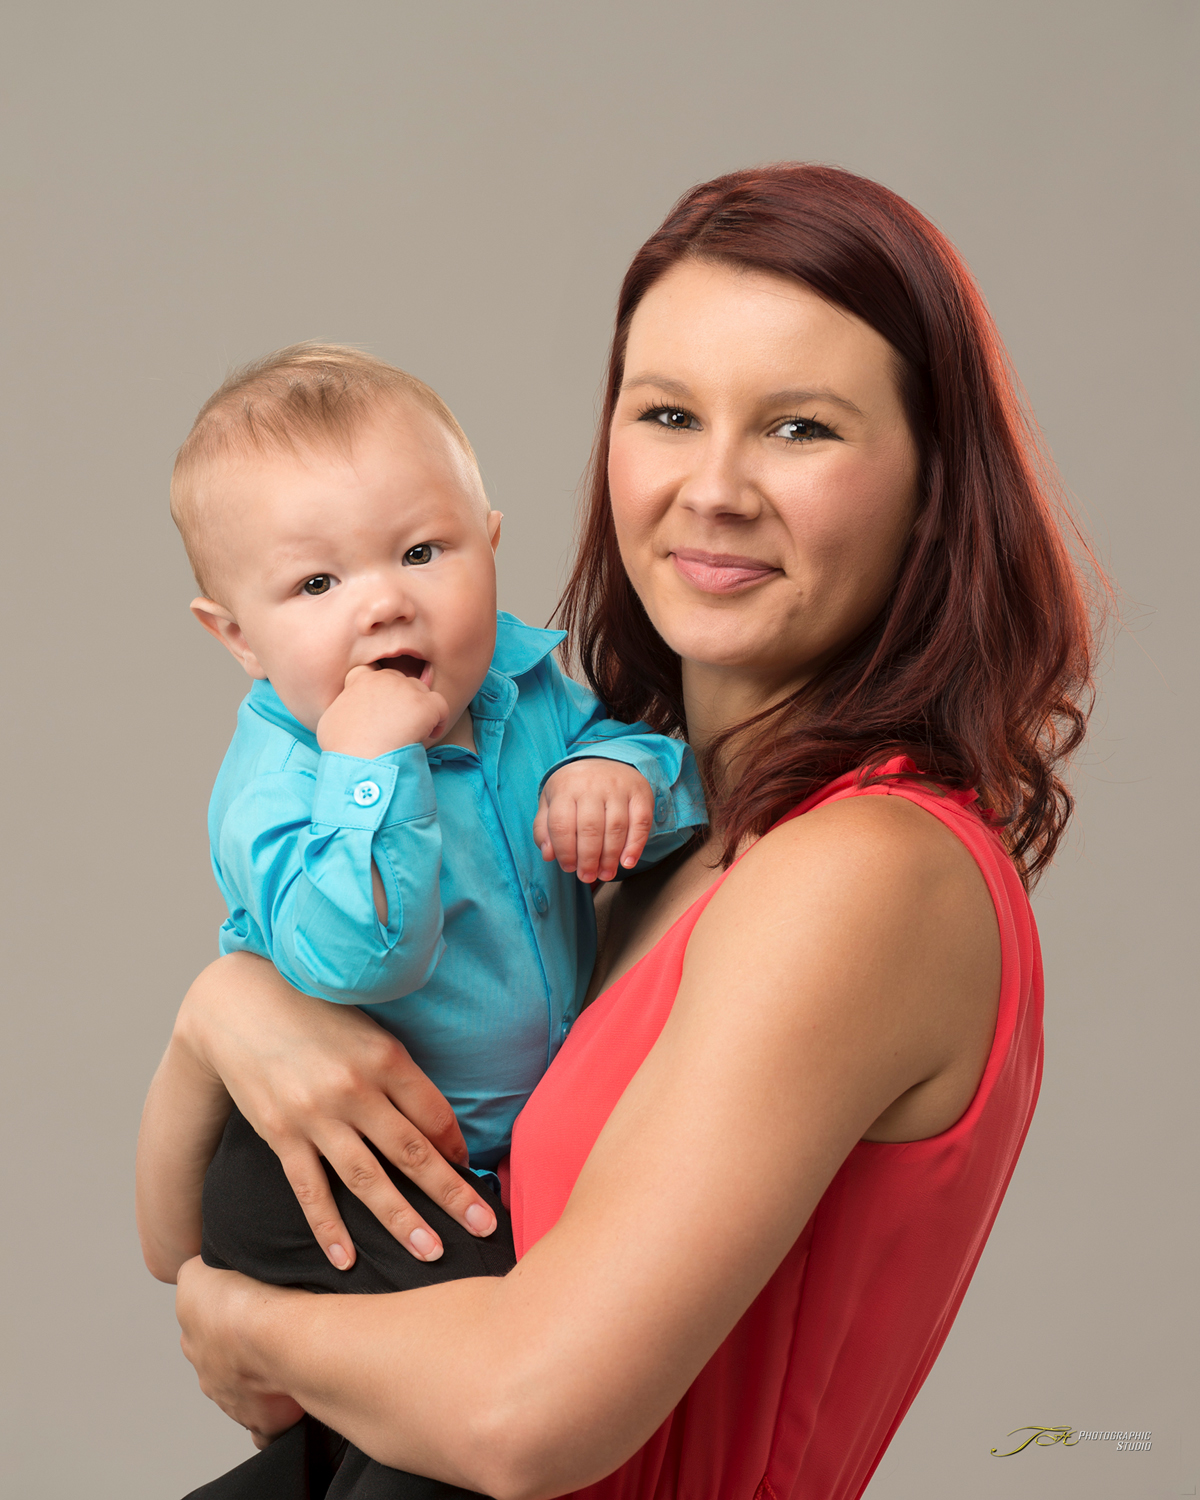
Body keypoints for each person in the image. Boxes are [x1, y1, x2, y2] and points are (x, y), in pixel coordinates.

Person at [153, 163, 1096, 1500]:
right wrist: (223, 1012)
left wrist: (249, 1328)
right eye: (667, 414)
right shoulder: (642, 842)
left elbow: (521, 1417)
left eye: (801, 429)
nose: (713, 487)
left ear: (933, 487)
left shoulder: (866, 868)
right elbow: (163, 1234)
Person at [140, 344, 704, 1303]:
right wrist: (370, 768)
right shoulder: (275, 785)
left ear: (489, 544)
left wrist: (617, 772)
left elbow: (679, 815)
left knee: (403, 1427)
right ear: (236, 635)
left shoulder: (527, 693)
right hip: (329, 1170)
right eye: (317, 586)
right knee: (499, 1366)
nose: (385, 602)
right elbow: (363, 962)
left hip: (492, 1171)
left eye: (420, 552)